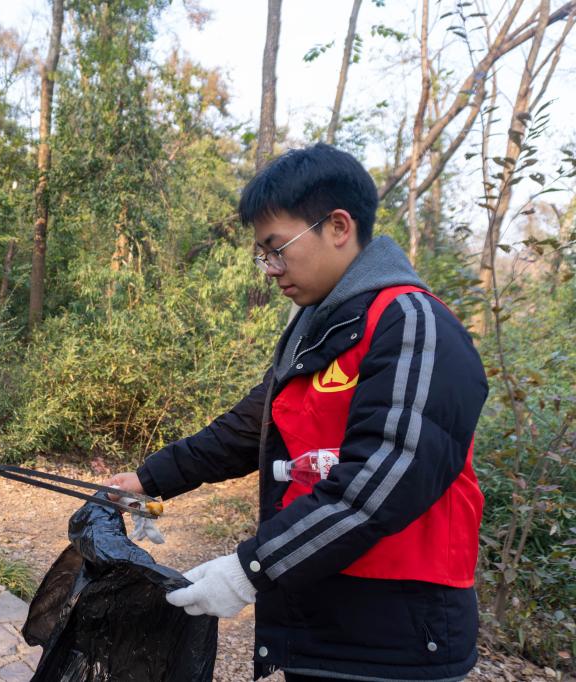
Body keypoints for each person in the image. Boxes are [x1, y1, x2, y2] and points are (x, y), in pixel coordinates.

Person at [105, 143, 487, 682]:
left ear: (336, 226)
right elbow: (250, 427)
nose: (269, 269)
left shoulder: (412, 324)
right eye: (262, 254)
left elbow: (382, 481)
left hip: (397, 636)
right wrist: (148, 479)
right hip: (318, 620)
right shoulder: (317, 329)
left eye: (276, 247)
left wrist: (249, 569)